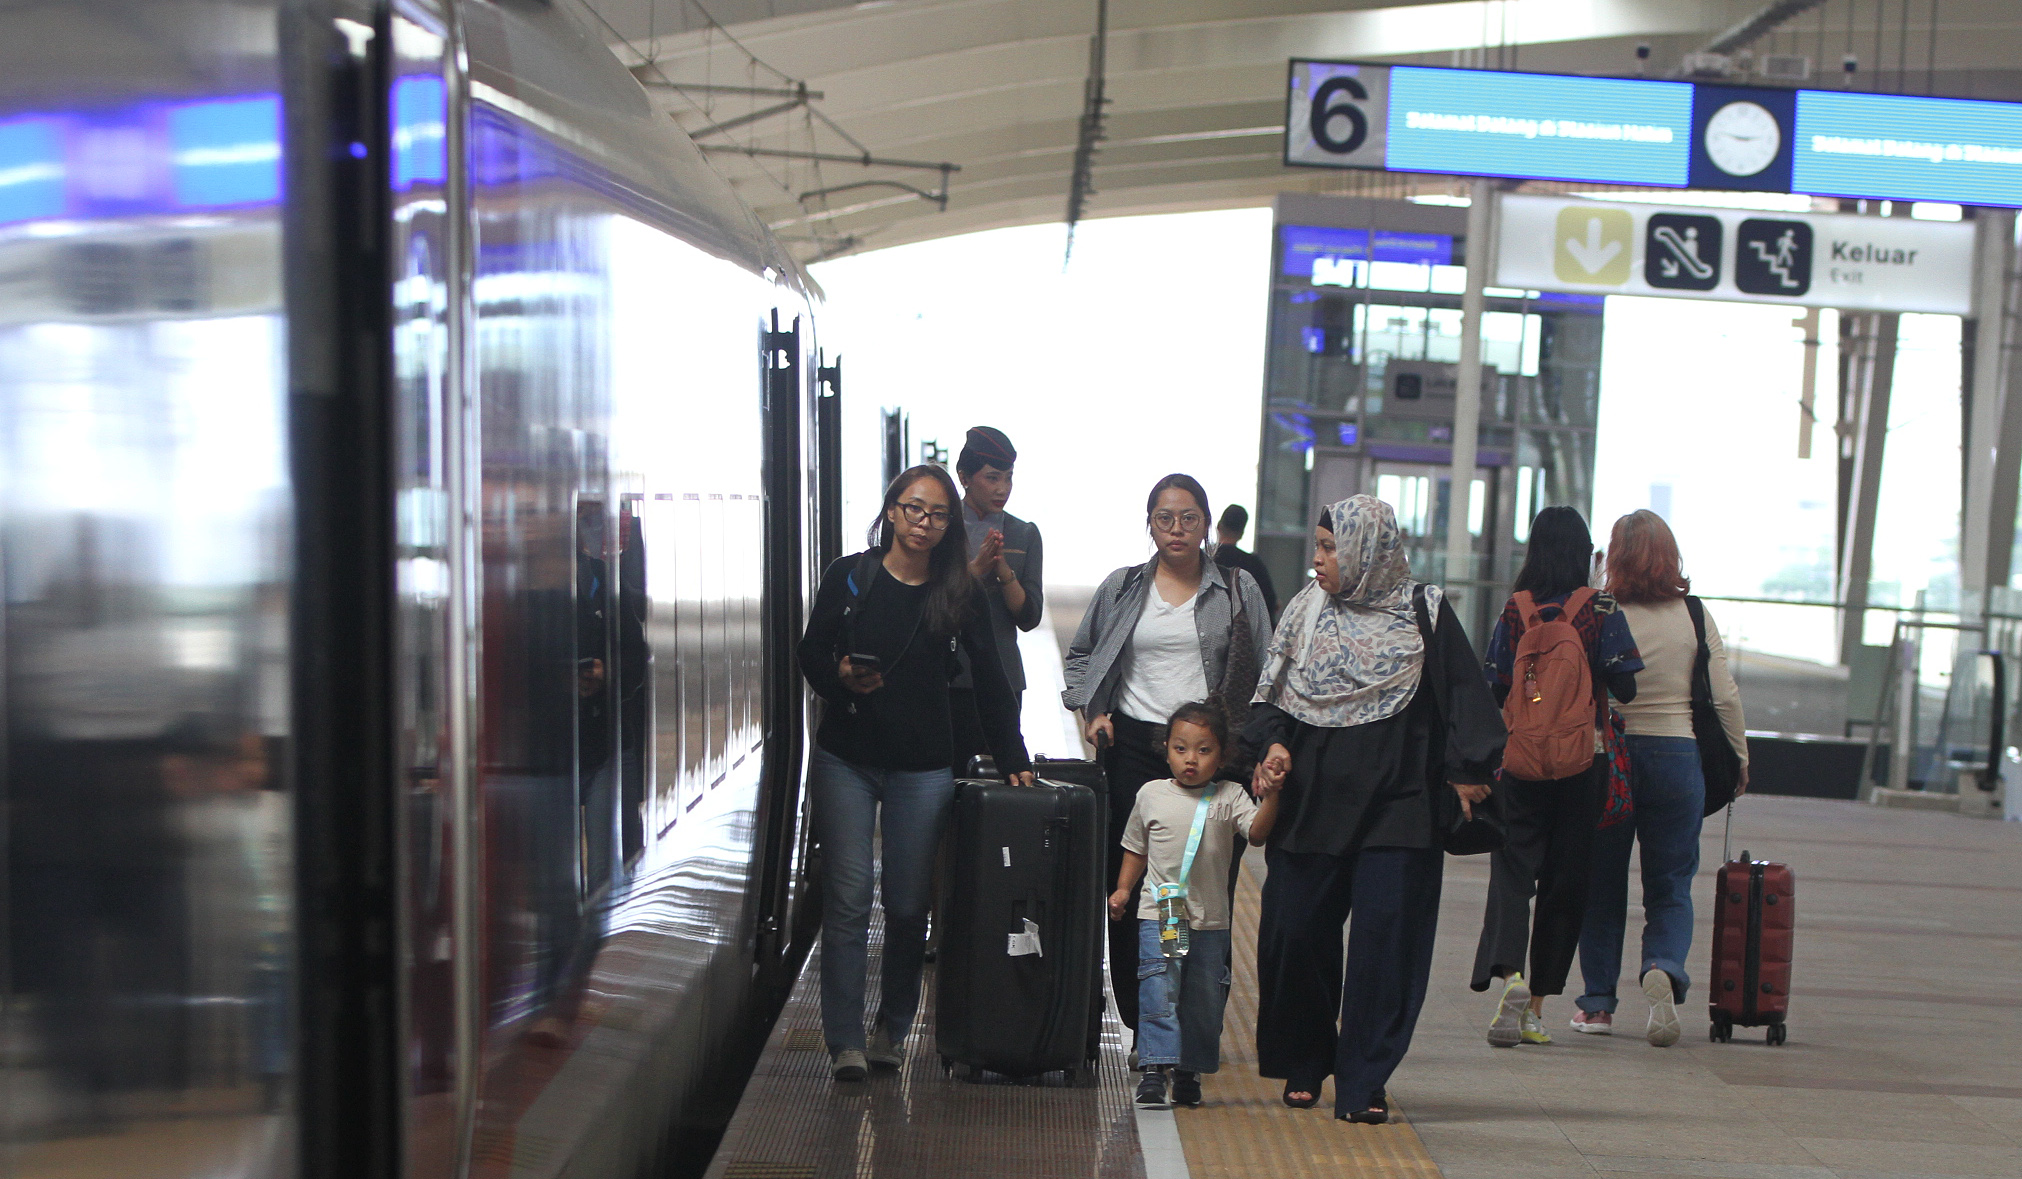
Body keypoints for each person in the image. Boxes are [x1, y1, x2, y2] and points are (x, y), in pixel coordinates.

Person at [1246, 495, 1504, 1122]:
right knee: (1294, 931)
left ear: (1369, 550)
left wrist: (1469, 773)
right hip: (1311, 803)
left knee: (1386, 949)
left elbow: (1470, 698)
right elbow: (1268, 698)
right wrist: (1273, 743)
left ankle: (1364, 1079)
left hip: (1401, 804)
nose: (1318, 561)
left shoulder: (1425, 614)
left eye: (1331, 548)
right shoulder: (1304, 614)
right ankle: (1308, 1058)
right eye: (1318, 546)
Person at [797, 464, 1035, 1082]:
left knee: (906, 907)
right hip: (846, 759)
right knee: (848, 900)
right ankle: (845, 1041)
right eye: (913, 509)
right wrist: (841, 679)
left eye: (936, 514)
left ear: (948, 524)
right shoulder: (852, 575)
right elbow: (810, 652)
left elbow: (990, 679)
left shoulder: (956, 594)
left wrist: (1013, 757)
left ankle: (892, 1030)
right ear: (891, 511)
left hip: (924, 767)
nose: (923, 523)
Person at [1062, 473, 1271, 1035]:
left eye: (1188, 518)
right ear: (1149, 523)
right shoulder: (1124, 586)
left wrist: (1251, 748)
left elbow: (1267, 674)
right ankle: (1145, 1022)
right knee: (1131, 888)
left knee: (1205, 895)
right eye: (1164, 518)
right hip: (1133, 750)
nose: (1176, 529)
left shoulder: (1236, 588)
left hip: (1212, 757)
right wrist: (1091, 711)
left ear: (1206, 525)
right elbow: (1081, 655)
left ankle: (1194, 1022)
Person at [1573, 510, 1749, 1045]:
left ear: (1615, 557)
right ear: (1670, 556)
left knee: (1601, 885)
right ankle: (1664, 969)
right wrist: (1739, 758)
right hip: (1678, 758)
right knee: (1670, 884)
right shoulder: (1693, 616)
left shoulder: (1599, 611)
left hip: (1611, 759)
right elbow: (1724, 696)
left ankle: (1598, 1005)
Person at [1472, 506, 1642, 1047]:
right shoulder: (1599, 610)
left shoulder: (1514, 611)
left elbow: (1495, 685)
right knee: (1567, 884)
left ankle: (1510, 975)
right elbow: (1628, 685)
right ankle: (1537, 1008)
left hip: (1520, 764)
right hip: (1581, 763)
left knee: (1512, 874)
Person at [1110, 702, 1281, 1110]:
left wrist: (1272, 798)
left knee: (1204, 997)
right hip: (1162, 914)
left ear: (1222, 756)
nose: (1191, 759)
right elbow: (1136, 848)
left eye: (1204, 750)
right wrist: (1121, 890)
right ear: (1165, 749)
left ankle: (1189, 1070)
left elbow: (1256, 833)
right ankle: (1154, 1070)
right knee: (1159, 986)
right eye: (1181, 748)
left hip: (1210, 921)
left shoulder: (1229, 796)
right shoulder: (1151, 794)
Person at [950, 426, 1044, 769]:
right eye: (992, 478)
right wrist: (973, 571)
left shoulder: (1023, 533)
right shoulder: (942, 528)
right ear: (964, 477)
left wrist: (1003, 570)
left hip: (1003, 679)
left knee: (995, 780)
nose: (1002, 488)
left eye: (1008, 478)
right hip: (947, 676)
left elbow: (1029, 616)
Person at [1213, 504, 1279, 619]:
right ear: (1242, 533)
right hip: (1243, 633)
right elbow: (1269, 603)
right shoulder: (1253, 564)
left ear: (1218, 527)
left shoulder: (1203, 560)